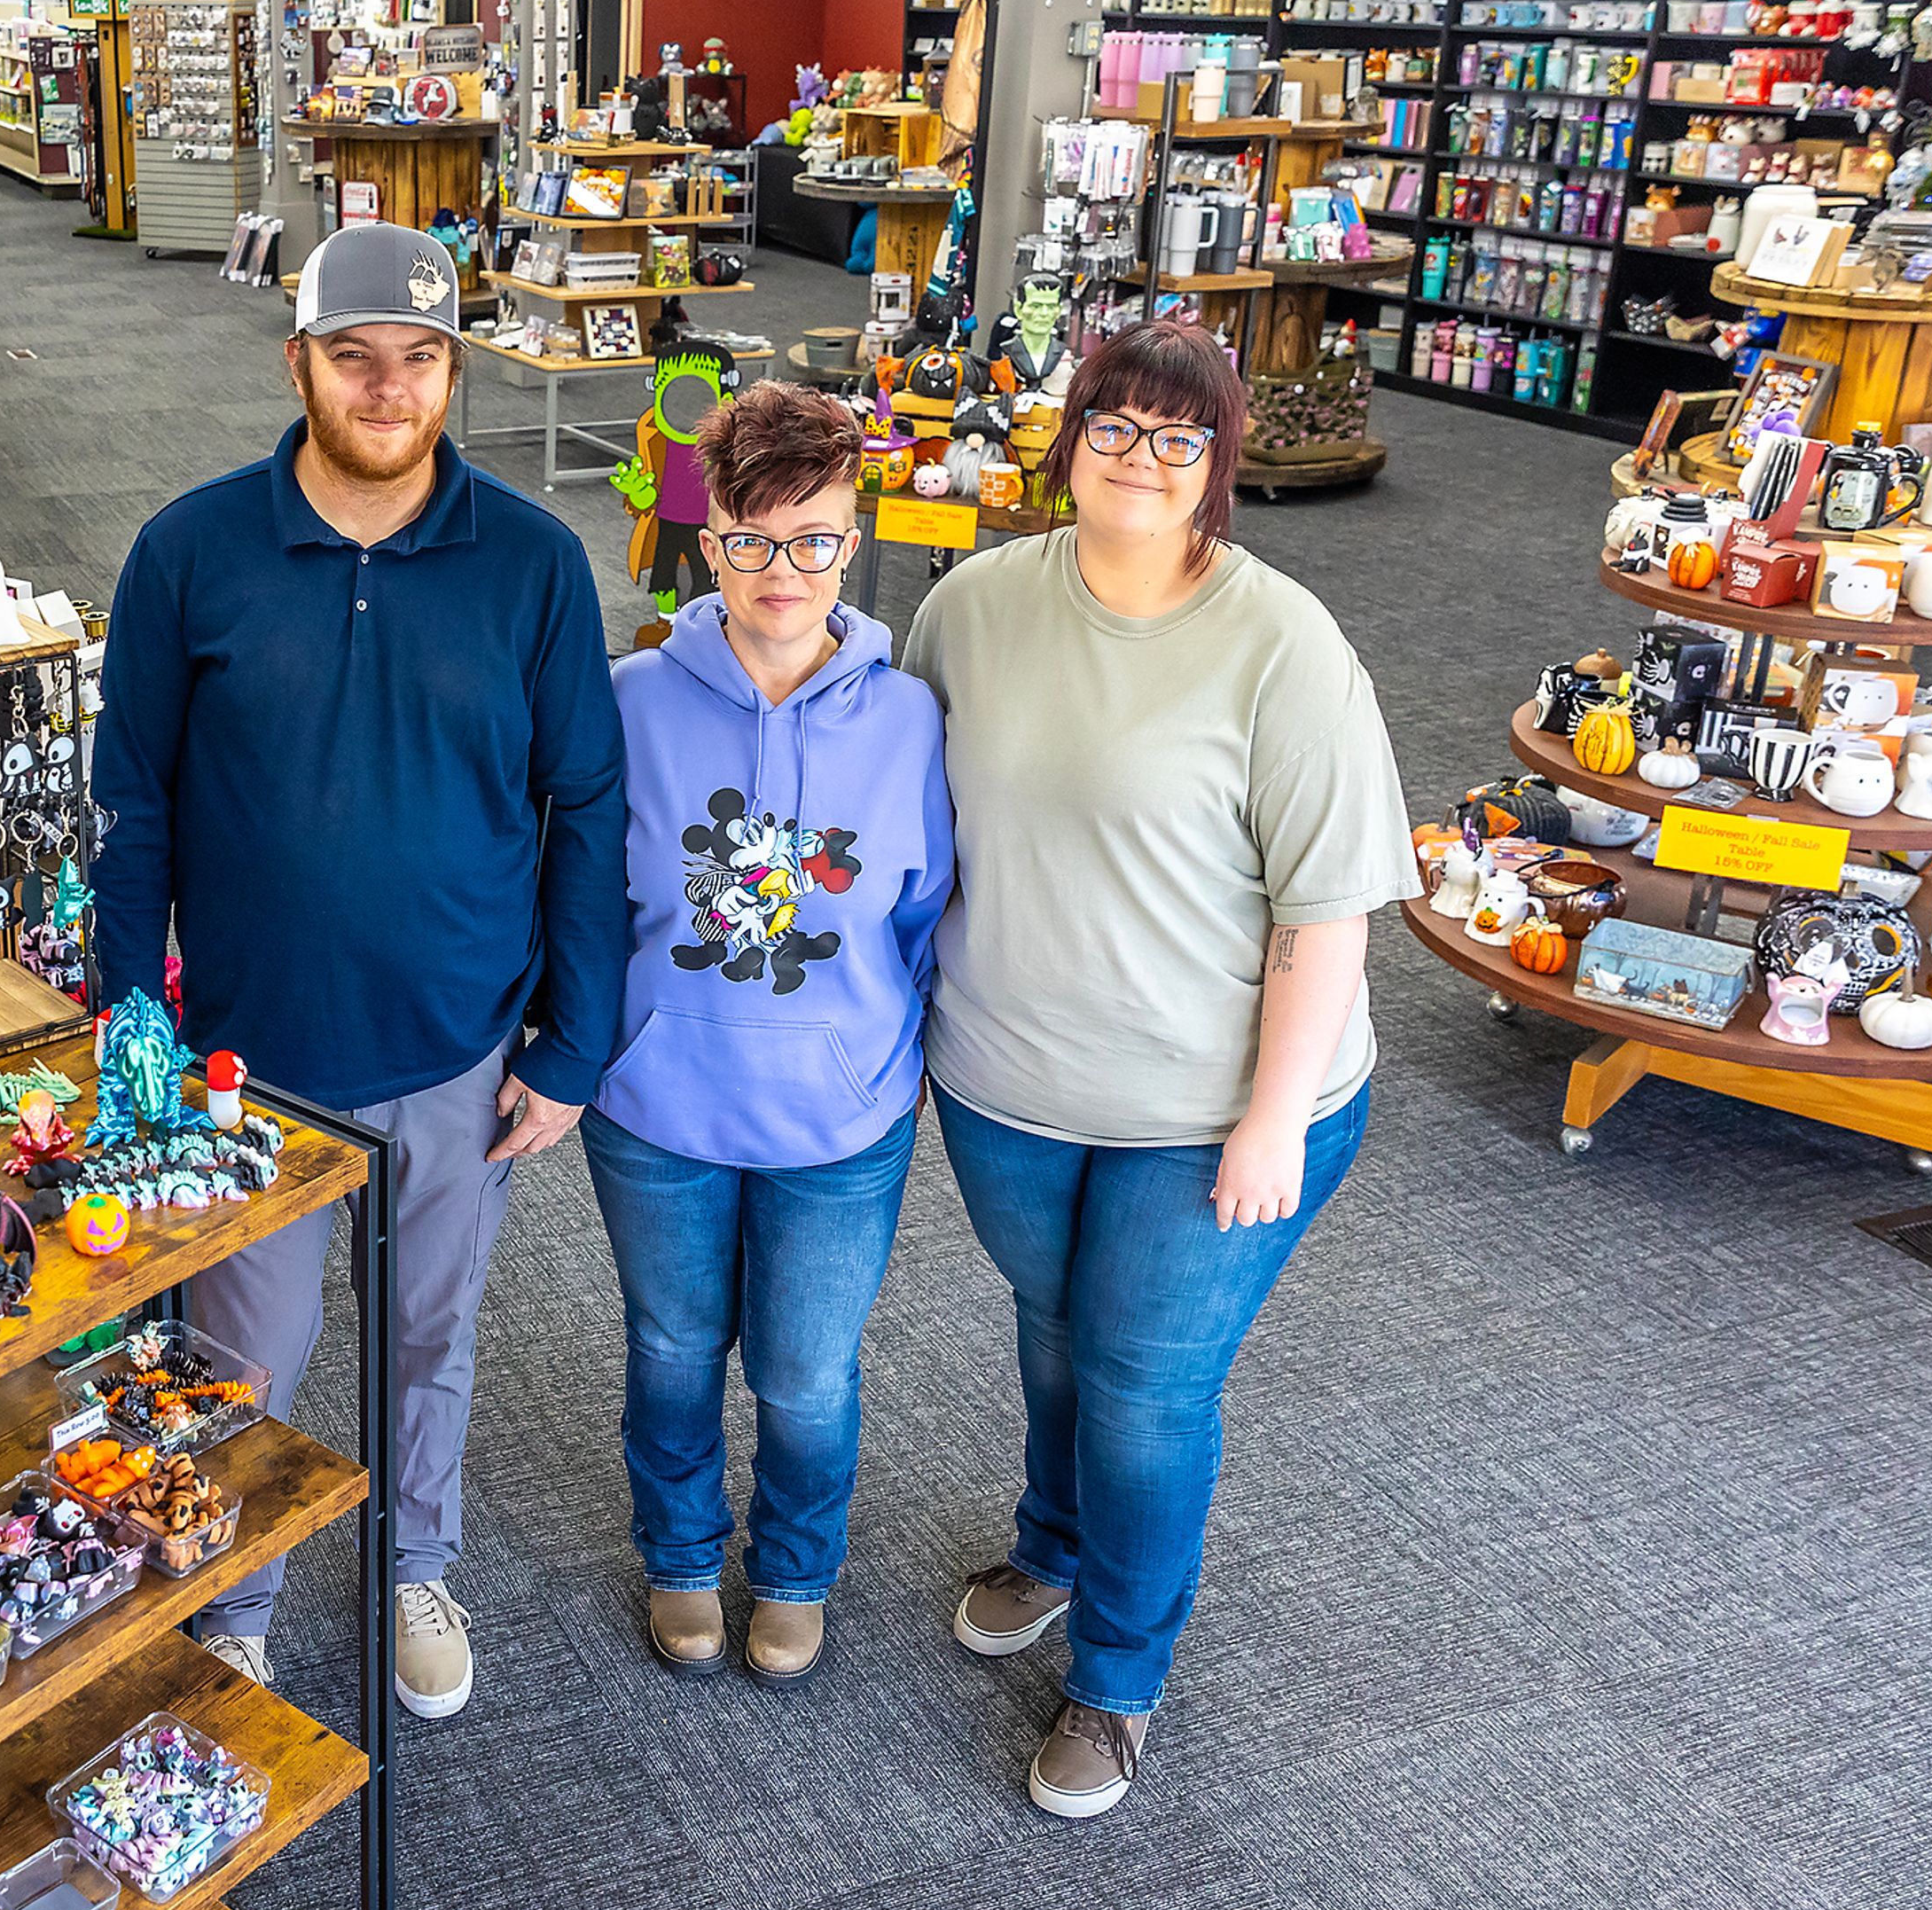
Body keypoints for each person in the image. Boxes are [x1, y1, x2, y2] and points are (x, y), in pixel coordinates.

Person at [90, 220, 629, 1718]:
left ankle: (412, 1562)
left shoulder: (533, 564)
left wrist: (574, 1046)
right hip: (242, 1067)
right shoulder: (188, 553)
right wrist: (136, 1040)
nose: (388, 388)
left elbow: (587, 808)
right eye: (355, 357)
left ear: (454, 368)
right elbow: (128, 812)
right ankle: (232, 1587)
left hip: (459, 1052)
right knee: (236, 1357)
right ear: (300, 363)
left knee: (430, 1338)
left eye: (420, 358)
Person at [902, 319, 1419, 1819]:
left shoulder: (1285, 646)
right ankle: (1054, 1545)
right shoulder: (978, 603)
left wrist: (1270, 1120)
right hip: (1008, 1084)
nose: (1138, 456)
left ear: (1219, 464)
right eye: (1111, 427)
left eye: (1175, 436)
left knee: (1141, 1381)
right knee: (1058, 1328)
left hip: (1217, 1112)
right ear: (1068, 442)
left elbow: (1327, 917)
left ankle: (1119, 1677)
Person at [583, 381, 952, 1687]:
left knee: (805, 1371)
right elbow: (590, 896)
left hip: (837, 1116)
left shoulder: (909, 720)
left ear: (854, 542)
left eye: (814, 541)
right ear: (707, 540)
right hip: (657, 1104)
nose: (781, 572)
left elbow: (919, 912)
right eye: (750, 540)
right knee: (673, 1347)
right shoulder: (629, 699)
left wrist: (868, 1052)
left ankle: (796, 1565)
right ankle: (681, 1551)